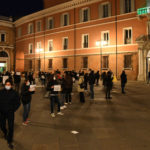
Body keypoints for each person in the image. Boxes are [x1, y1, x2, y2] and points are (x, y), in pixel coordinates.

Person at [0, 79, 20, 149]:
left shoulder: (15, 93)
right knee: (2, 125)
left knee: (11, 127)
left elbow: (18, 103)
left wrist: (13, 109)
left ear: (11, 85)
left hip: (10, 113)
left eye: (9, 85)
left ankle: (10, 140)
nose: (7, 86)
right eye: (6, 84)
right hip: (2, 113)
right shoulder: (1, 92)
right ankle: (5, 133)